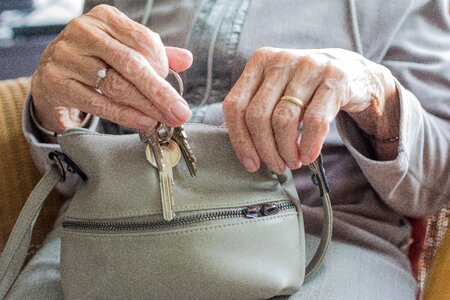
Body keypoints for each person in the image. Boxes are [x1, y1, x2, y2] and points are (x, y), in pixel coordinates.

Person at [6, 0, 449, 299]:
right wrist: (54, 106)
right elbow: (68, 171)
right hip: (109, 229)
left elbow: (436, 183)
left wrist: (374, 93)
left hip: (321, 241)